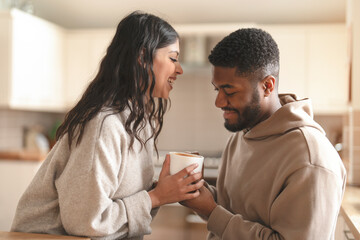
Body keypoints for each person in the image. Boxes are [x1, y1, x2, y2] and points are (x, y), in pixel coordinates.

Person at [11, 11, 204, 240]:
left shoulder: (138, 122)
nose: (179, 69)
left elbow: (117, 210)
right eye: (173, 58)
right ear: (143, 56)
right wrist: (157, 196)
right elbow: (86, 222)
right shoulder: (104, 125)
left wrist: (160, 189)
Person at [181, 28, 346, 239]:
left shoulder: (310, 159)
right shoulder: (241, 136)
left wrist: (211, 212)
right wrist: (196, 191)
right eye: (217, 90)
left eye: (229, 91)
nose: (219, 102)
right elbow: (231, 210)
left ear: (267, 86)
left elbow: (221, 217)